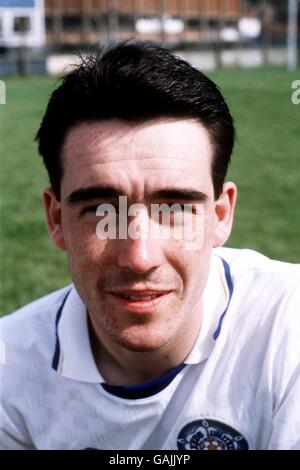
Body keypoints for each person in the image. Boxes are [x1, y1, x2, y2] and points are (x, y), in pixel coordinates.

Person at [0, 41, 299, 451]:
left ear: (221, 215)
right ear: (56, 220)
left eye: (174, 207)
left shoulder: (290, 325)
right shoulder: (8, 369)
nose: (139, 257)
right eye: (101, 211)